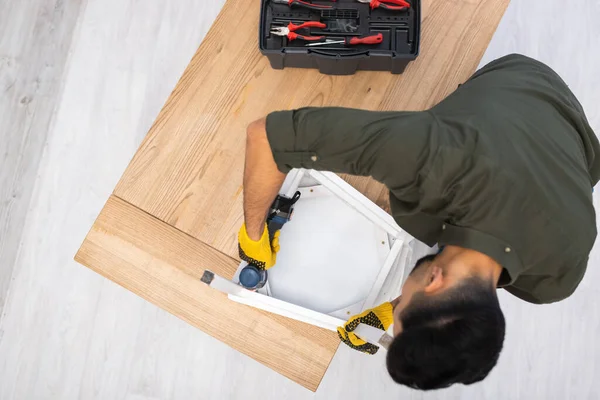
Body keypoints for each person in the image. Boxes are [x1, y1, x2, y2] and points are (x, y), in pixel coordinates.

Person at [236, 54, 599, 390]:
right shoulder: (431, 157)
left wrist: (399, 310)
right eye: (399, 319)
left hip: (575, 155)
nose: (393, 318)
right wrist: (254, 234)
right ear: (434, 280)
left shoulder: (555, 282)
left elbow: (471, 284)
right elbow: (266, 137)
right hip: (525, 82)